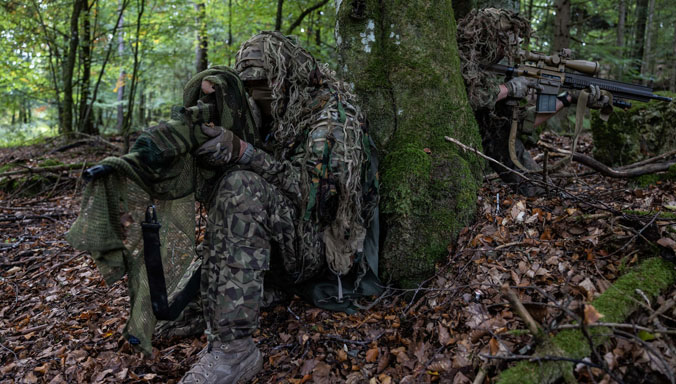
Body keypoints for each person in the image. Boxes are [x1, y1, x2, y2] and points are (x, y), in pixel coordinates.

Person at [177, 31, 379, 383]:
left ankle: (234, 351)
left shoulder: (331, 119)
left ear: (288, 78)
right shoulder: (271, 112)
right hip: (279, 238)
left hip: (320, 246)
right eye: (249, 84)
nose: (258, 94)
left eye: (265, 83)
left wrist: (246, 154)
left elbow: (319, 202)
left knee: (242, 186)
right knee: (170, 320)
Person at [457, 8, 610, 196]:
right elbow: (469, 98)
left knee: (547, 193)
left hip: (496, 146)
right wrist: (510, 89)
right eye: (503, 43)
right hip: (462, 147)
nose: (507, 50)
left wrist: (569, 98)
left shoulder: (499, 71)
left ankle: (545, 193)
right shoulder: (463, 58)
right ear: (487, 38)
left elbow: (521, 123)